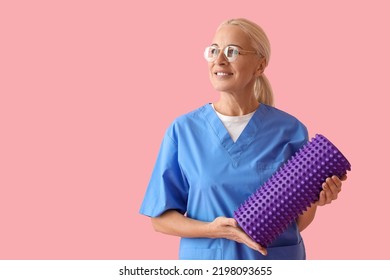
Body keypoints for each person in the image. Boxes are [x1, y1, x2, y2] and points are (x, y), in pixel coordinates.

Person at [139, 18, 346, 260]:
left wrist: (315, 199)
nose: (219, 60)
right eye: (214, 50)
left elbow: (295, 223)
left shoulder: (290, 130)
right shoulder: (183, 130)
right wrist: (212, 230)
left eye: (232, 51)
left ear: (260, 65)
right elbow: (160, 220)